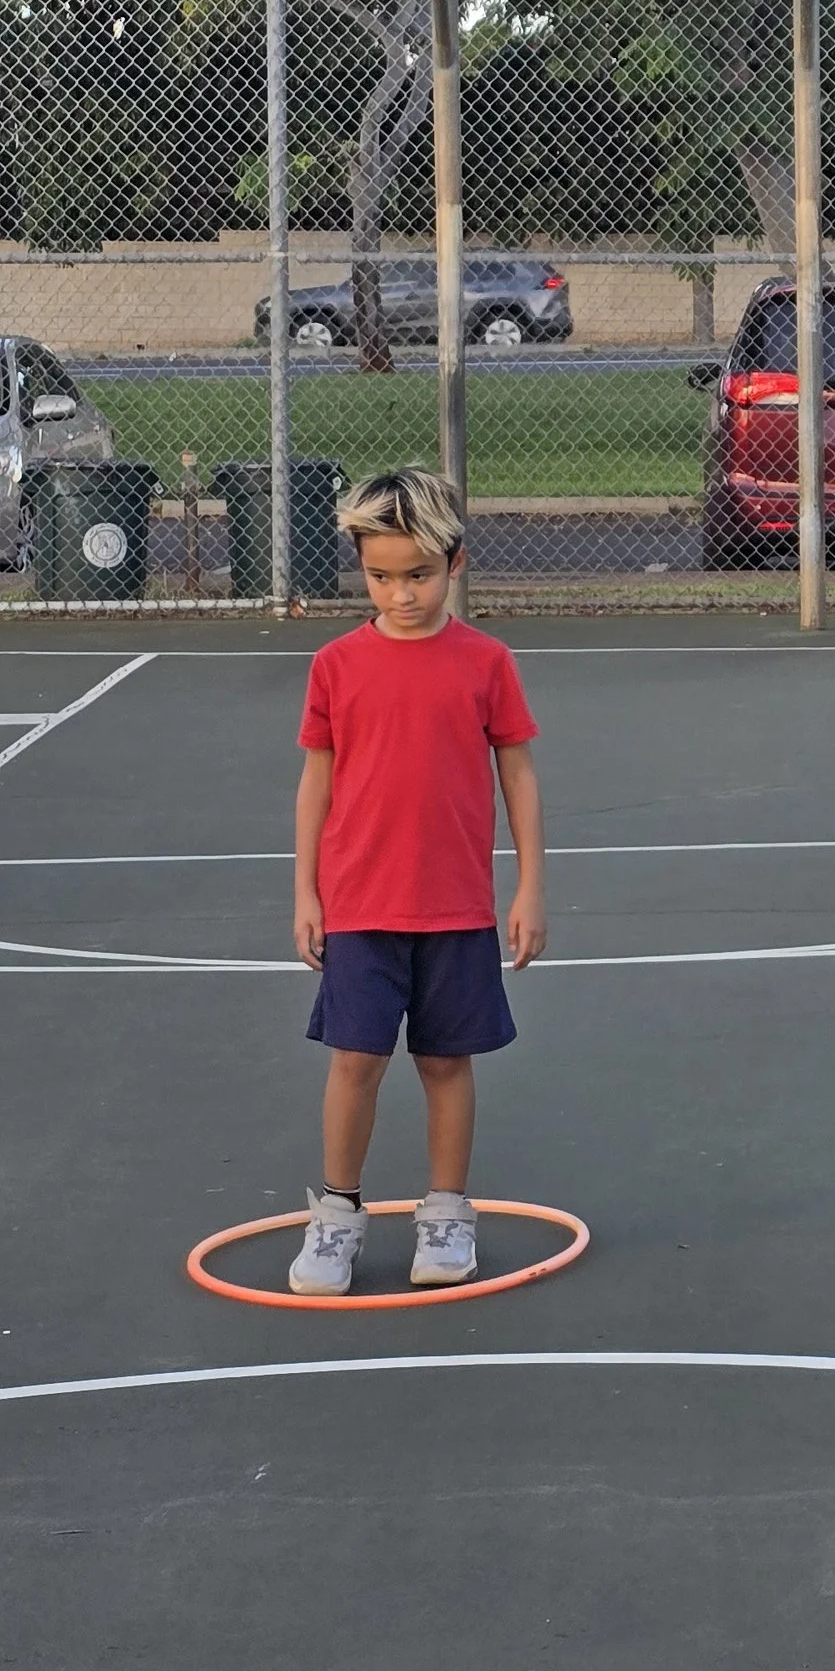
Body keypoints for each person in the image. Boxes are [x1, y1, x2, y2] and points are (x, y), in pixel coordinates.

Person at [288, 468, 545, 1296]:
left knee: (445, 1063)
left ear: (456, 562)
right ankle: (335, 1216)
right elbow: (316, 785)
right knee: (354, 1060)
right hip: (361, 904)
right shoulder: (335, 665)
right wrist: (305, 892)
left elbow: (519, 777)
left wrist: (530, 887)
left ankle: (445, 1213)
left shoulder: (487, 662)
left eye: (420, 574)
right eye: (382, 576)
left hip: (456, 908)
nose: (402, 593)